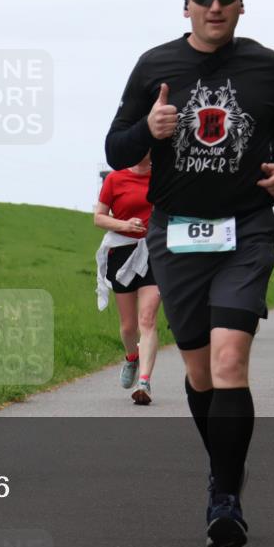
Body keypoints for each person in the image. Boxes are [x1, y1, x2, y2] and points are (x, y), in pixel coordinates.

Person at [105, 0, 274, 547]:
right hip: (177, 233)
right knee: (197, 373)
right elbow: (117, 149)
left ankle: (224, 494)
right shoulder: (154, 65)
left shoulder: (267, 65)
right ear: (186, 5)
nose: (215, 6)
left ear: (241, 5)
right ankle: (226, 467)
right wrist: (150, 128)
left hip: (245, 229)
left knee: (228, 363)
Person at [94, 153, 162, 404]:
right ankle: (132, 357)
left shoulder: (163, 176)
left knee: (148, 318)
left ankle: (144, 382)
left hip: (154, 252)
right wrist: (123, 225)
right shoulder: (115, 178)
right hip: (121, 253)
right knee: (128, 326)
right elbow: (98, 216)